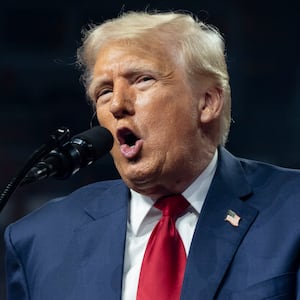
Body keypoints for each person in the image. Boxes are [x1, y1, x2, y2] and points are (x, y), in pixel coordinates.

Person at [4, 10, 300, 300]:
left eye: (143, 79)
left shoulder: (291, 211)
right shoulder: (41, 239)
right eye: (104, 91)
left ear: (207, 102)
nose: (117, 104)